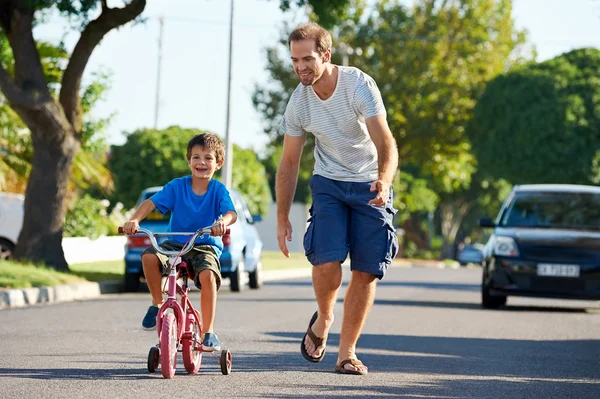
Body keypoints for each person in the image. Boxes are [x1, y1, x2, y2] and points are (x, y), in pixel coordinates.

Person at [276, 22, 399, 375]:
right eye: (294, 60)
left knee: (365, 270)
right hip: (329, 182)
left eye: (307, 59)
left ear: (326, 55)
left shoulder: (358, 85)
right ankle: (325, 315)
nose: (300, 67)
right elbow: (288, 164)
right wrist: (282, 216)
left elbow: (385, 141)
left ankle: (347, 353)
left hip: (369, 184)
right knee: (326, 261)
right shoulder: (299, 102)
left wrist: (384, 179)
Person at [123, 133, 237, 352]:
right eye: (196, 157)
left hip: (204, 244)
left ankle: (208, 332)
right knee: (148, 255)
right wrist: (134, 219)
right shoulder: (177, 187)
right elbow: (151, 203)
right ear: (189, 161)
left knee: (208, 276)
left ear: (218, 163)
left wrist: (222, 222)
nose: (201, 162)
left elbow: (231, 212)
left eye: (208, 158)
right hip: (175, 245)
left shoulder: (218, 190)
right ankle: (157, 304)